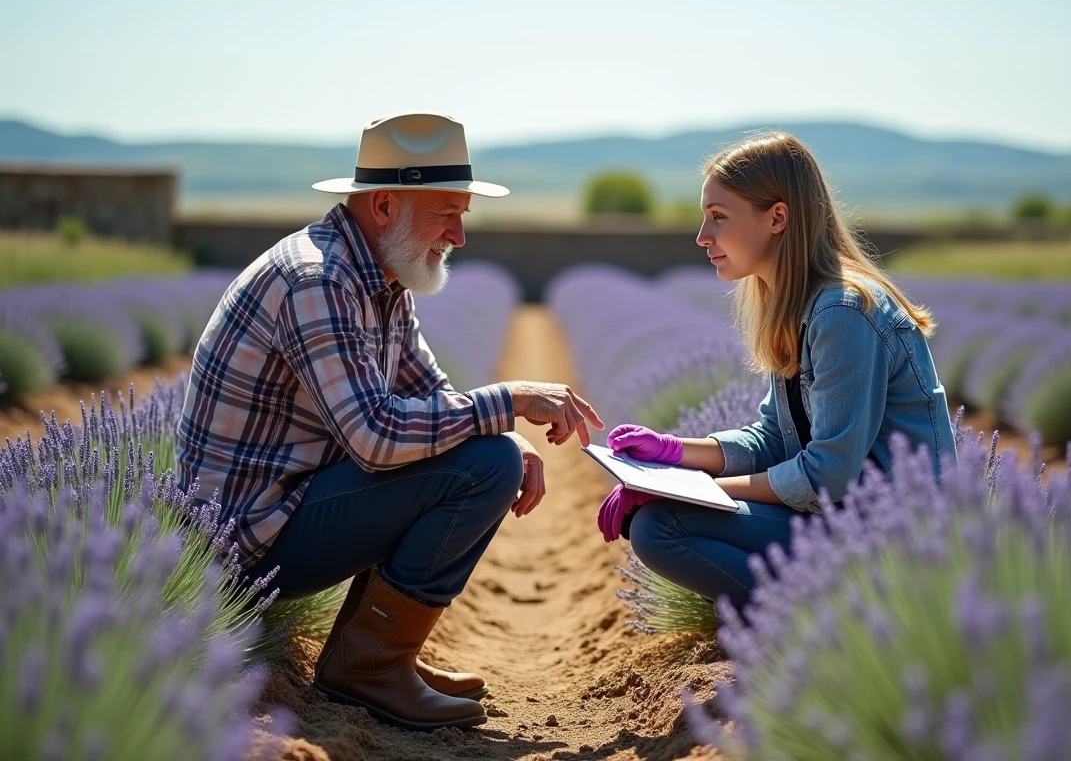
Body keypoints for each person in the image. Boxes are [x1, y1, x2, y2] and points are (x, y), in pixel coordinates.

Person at [177, 113, 604, 732]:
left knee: (488, 452)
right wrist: (508, 403)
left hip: (289, 508)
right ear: (383, 204)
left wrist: (499, 427)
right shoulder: (317, 281)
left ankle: (380, 655)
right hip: (248, 541)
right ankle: (369, 668)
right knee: (484, 467)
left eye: (462, 214)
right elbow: (376, 439)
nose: (458, 234)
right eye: (446, 213)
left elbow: (424, 391)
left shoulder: (379, 277)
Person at [595, 131, 956, 614]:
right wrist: (676, 453)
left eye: (719, 218)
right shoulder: (797, 305)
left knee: (664, 526)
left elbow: (827, 475)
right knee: (660, 522)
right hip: (845, 521)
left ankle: (824, 625)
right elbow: (772, 438)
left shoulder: (843, 313)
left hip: (894, 537)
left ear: (777, 218)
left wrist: (690, 491)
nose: (703, 236)